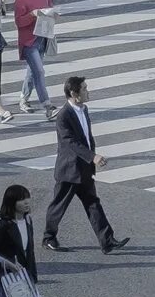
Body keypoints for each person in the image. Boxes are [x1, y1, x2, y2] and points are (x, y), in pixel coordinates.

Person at [44, 75, 124, 250]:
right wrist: (92, 156)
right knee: (59, 205)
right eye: (84, 89)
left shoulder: (84, 109)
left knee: (93, 203)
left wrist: (91, 158)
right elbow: (70, 142)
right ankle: (49, 237)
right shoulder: (64, 115)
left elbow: (87, 137)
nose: (88, 91)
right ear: (74, 93)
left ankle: (107, 241)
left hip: (84, 169)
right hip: (69, 169)